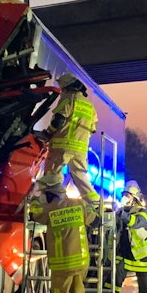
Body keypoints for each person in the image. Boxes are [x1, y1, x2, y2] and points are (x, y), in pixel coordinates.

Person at [28, 186, 97, 293]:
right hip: (81, 261)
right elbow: (93, 215)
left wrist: (34, 198)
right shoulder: (79, 205)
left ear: (50, 195)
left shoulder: (50, 209)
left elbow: (34, 213)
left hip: (62, 264)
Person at [36, 73, 99, 210]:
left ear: (67, 86)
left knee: (53, 175)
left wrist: (48, 133)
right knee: (80, 176)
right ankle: (94, 203)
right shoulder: (90, 105)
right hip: (81, 150)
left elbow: (59, 119)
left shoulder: (69, 98)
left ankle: (56, 202)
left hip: (62, 145)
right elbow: (93, 129)